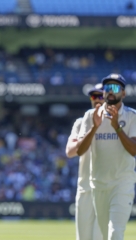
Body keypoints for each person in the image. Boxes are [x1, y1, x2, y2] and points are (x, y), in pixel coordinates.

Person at [77, 73, 136, 240]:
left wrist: (116, 126)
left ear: (123, 93)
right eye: (107, 88)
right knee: (104, 236)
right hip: (98, 185)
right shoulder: (91, 116)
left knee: (114, 233)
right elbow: (80, 151)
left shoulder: (132, 116)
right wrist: (94, 128)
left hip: (122, 183)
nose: (110, 91)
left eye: (115, 88)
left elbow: (133, 150)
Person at [66, 83, 104, 240]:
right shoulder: (81, 122)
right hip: (85, 189)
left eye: (100, 96)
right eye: (94, 96)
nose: (97, 100)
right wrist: (92, 128)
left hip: (105, 188)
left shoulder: (116, 123)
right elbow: (70, 151)